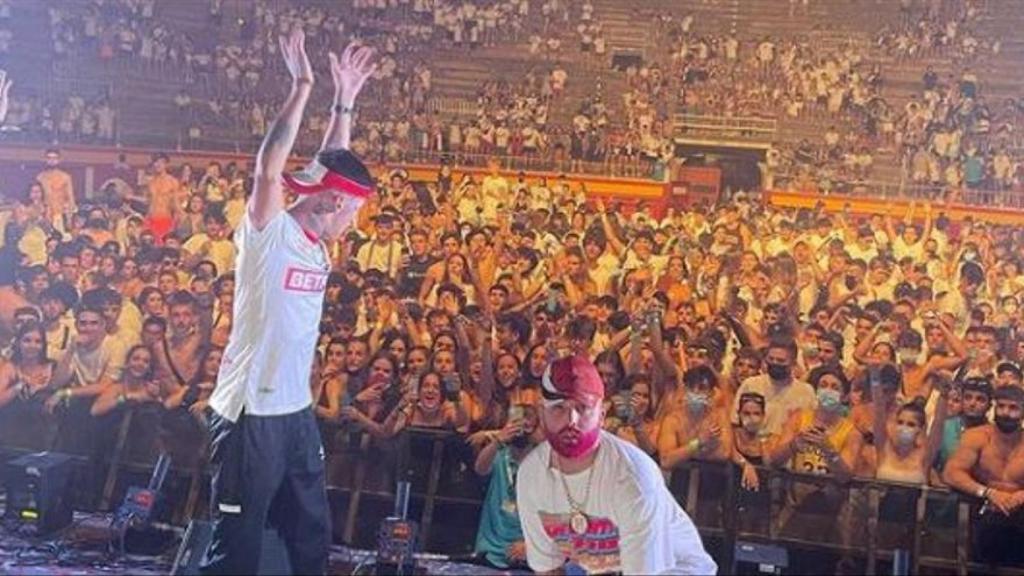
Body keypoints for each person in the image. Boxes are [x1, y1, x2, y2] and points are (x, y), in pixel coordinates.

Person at [201, 32, 377, 576]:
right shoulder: (269, 233)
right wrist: (302, 86)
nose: (356, 220)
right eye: (354, 209)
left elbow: (333, 162)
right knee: (240, 545)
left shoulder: (318, 240)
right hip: (249, 415)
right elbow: (269, 169)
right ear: (332, 201)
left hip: (295, 413)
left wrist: (344, 101)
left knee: (310, 537)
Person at [516, 354, 716, 575]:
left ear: (601, 415)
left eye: (582, 408)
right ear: (542, 414)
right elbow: (548, 569)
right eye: (559, 408)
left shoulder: (633, 476)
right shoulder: (531, 475)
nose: (571, 420)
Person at [943, 385, 1024, 565]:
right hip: (982, 517)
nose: (1006, 413)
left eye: (1013, 408)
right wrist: (988, 493)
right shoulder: (977, 436)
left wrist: (1021, 496)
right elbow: (951, 473)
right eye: (1001, 406)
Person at [473, 402, 543, 570]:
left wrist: (531, 545)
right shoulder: (498, 454)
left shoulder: (543, 463)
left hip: (525, 553)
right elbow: (480, 468)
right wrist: (497, 440)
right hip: (489, 551)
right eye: (516, 424)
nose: (520, 432)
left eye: (527, 426)